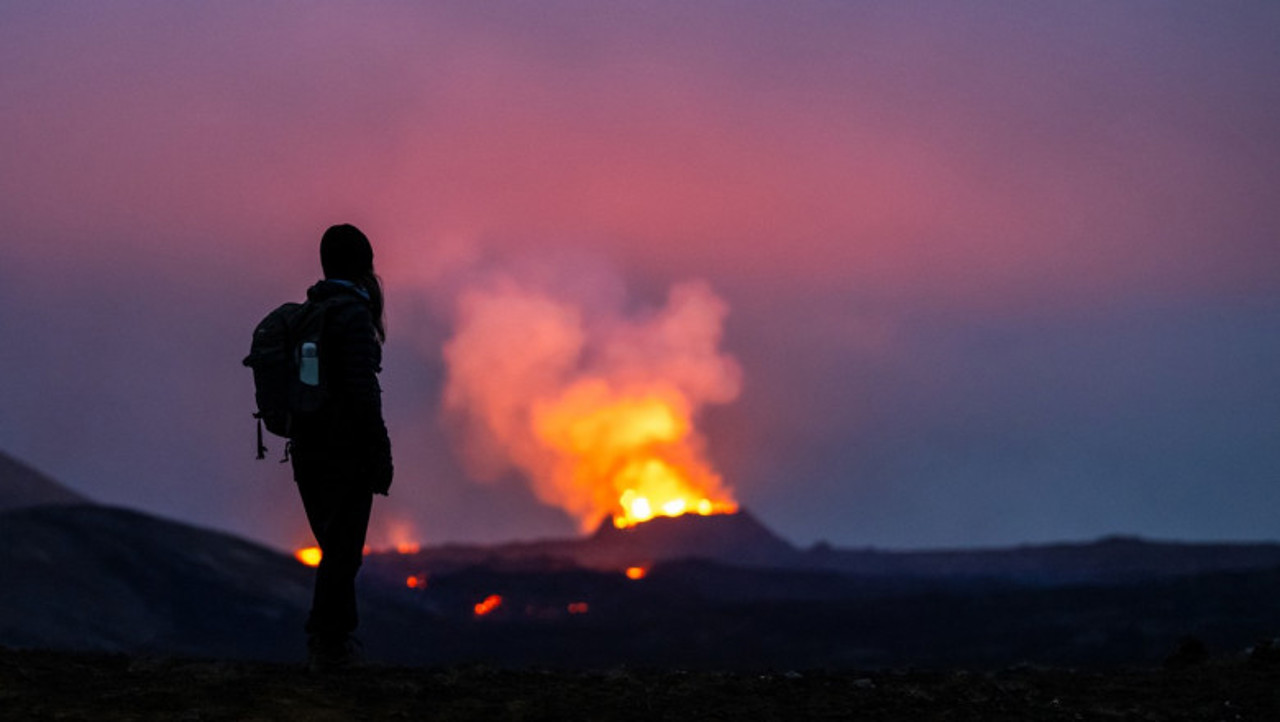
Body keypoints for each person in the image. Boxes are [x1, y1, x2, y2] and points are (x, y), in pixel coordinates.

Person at [289, 223, 393, 671]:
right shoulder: (352, 315)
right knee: (344, 550)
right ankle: (330, 647)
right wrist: (380, 452)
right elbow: (361, 390)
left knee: (334, 547)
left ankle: (330, 645)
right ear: (362, 263)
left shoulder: (310, 312)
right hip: (345, 450)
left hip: (306, 447)